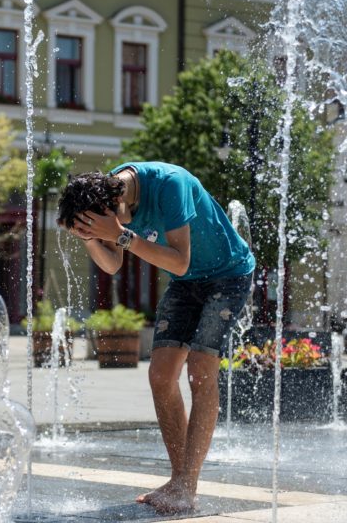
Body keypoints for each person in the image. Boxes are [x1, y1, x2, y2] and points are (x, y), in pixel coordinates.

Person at [57, 162, 254, 514]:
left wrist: (118, 233)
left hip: (228, 275)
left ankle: (186, 487)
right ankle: (179, 481)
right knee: (160, 375)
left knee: (200, 370)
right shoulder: (109, 198)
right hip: (186, 284)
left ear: (114, 203)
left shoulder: (170, 185)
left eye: (98, 222)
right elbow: (113, 264)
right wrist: (91, 238)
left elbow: (179, 261)